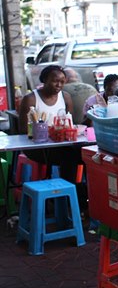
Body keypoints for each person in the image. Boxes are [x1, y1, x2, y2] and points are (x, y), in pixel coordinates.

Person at [18, 65, 84, 195]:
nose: (59, 85)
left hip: (61, 143)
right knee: (69, 157)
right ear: (44, 80)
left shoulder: (65, 97)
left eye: (62, 82)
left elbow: (70, 122)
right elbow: (24, 130)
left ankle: (79, 194)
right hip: (36, 147)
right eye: (55, 81)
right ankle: (66, 195)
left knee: (85, 155)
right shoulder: (30, 99)